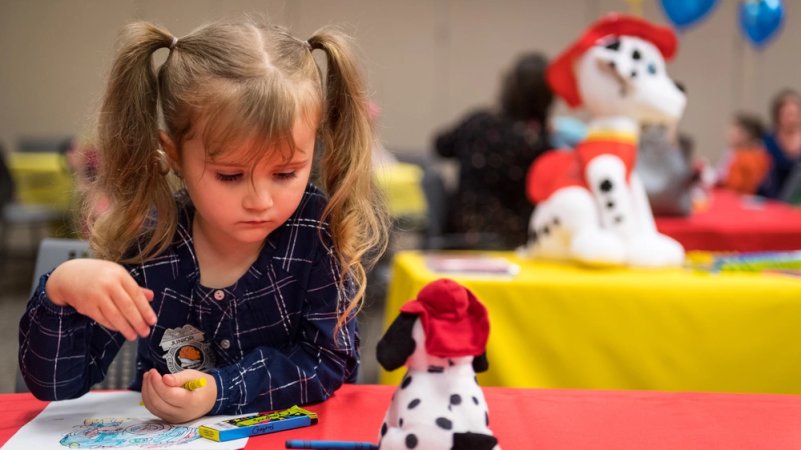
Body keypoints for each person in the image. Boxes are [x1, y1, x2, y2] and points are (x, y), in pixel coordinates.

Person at [18, 18, 389, 424]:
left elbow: (326, 364)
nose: (260, 201)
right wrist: (62, 291)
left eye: (285, 173)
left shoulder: (318, 230)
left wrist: (220, 390)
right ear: (174, 155)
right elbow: (58, 386)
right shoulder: (150, 238)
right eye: (229, 175)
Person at [434, 52, 554, 249]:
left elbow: (440, 145)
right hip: (513, 243)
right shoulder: (540, 144)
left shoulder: (479, 122)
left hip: (459, 236)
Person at [758, 89, 801, 199]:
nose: (791, 119)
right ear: (777, 115)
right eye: (786, 114)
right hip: (771, 198)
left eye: (794, 114)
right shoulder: (767, 140)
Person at [715, 113, 770, 195]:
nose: (730, 133)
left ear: (746, 135)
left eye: (734, 130)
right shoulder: (733, 152)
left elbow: (733, 187)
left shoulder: (748, 158)